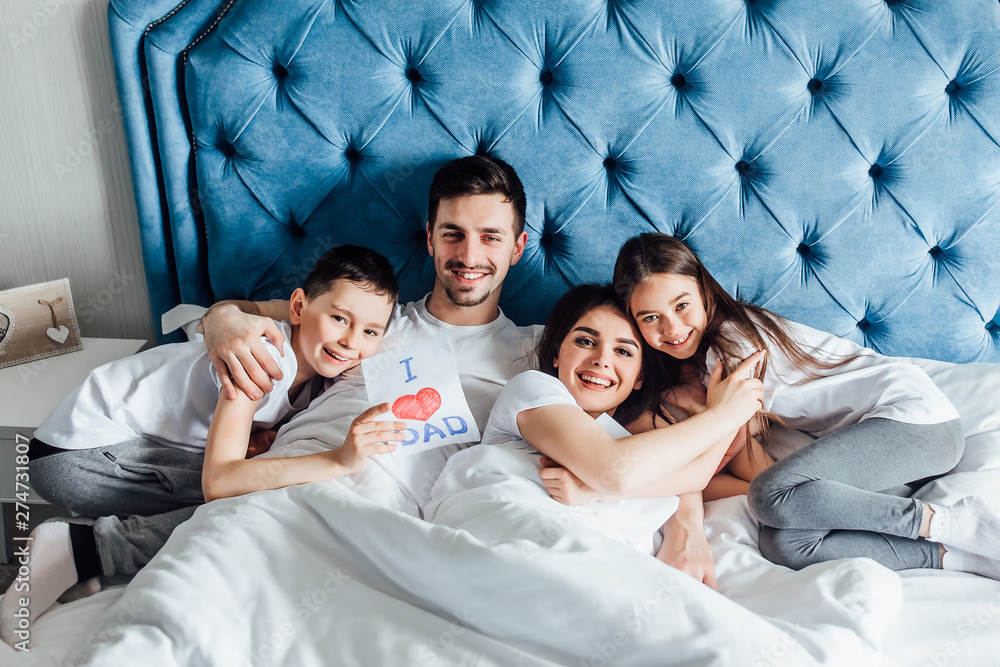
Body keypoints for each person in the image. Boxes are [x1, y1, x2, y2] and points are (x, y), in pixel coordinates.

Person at [196, 155, 719, 585]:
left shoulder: (550, 353)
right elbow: (261, 313)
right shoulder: (370, 321)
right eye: (453, 234)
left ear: (517, 247)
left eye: (490, 237)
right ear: (429, 238)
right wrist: (219, 319)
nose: (469, 255)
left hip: (387, 534)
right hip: (278, 488)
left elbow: (655, 433)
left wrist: (687, 531)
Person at [1, 245, 401, 643]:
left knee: (269, 487)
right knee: (251, 497)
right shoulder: (261, 358)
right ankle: (81, 549)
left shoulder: (317, 373)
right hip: (74, 455)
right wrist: (338, 460)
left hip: (116, 452)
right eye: (338, 319)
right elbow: (220, 483)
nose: (351, 341)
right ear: (298, 308)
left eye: (370, 332)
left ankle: (84, 568)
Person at [609, 232, 1000, 579]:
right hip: (898, 454)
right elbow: (741, 458)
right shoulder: (699, 365)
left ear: (705, 293)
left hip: (917, 423)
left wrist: (609, 484)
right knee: (785, 544)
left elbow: (714, 465)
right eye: (650, 318)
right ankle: (956, 558)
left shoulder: (731, 349)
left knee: (769, 496)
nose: (672, 329)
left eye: (681, 306)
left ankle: (949, 523)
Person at [425, 284, 765, 559]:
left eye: (624, 351)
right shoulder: (533, 390)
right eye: (586, 341)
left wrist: (728, 419)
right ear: (557, 353)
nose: (601, 360)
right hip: (511, 541)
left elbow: (748, 489)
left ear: (639, 378)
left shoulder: (645, 447)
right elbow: (615, 469)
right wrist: (722, 416)